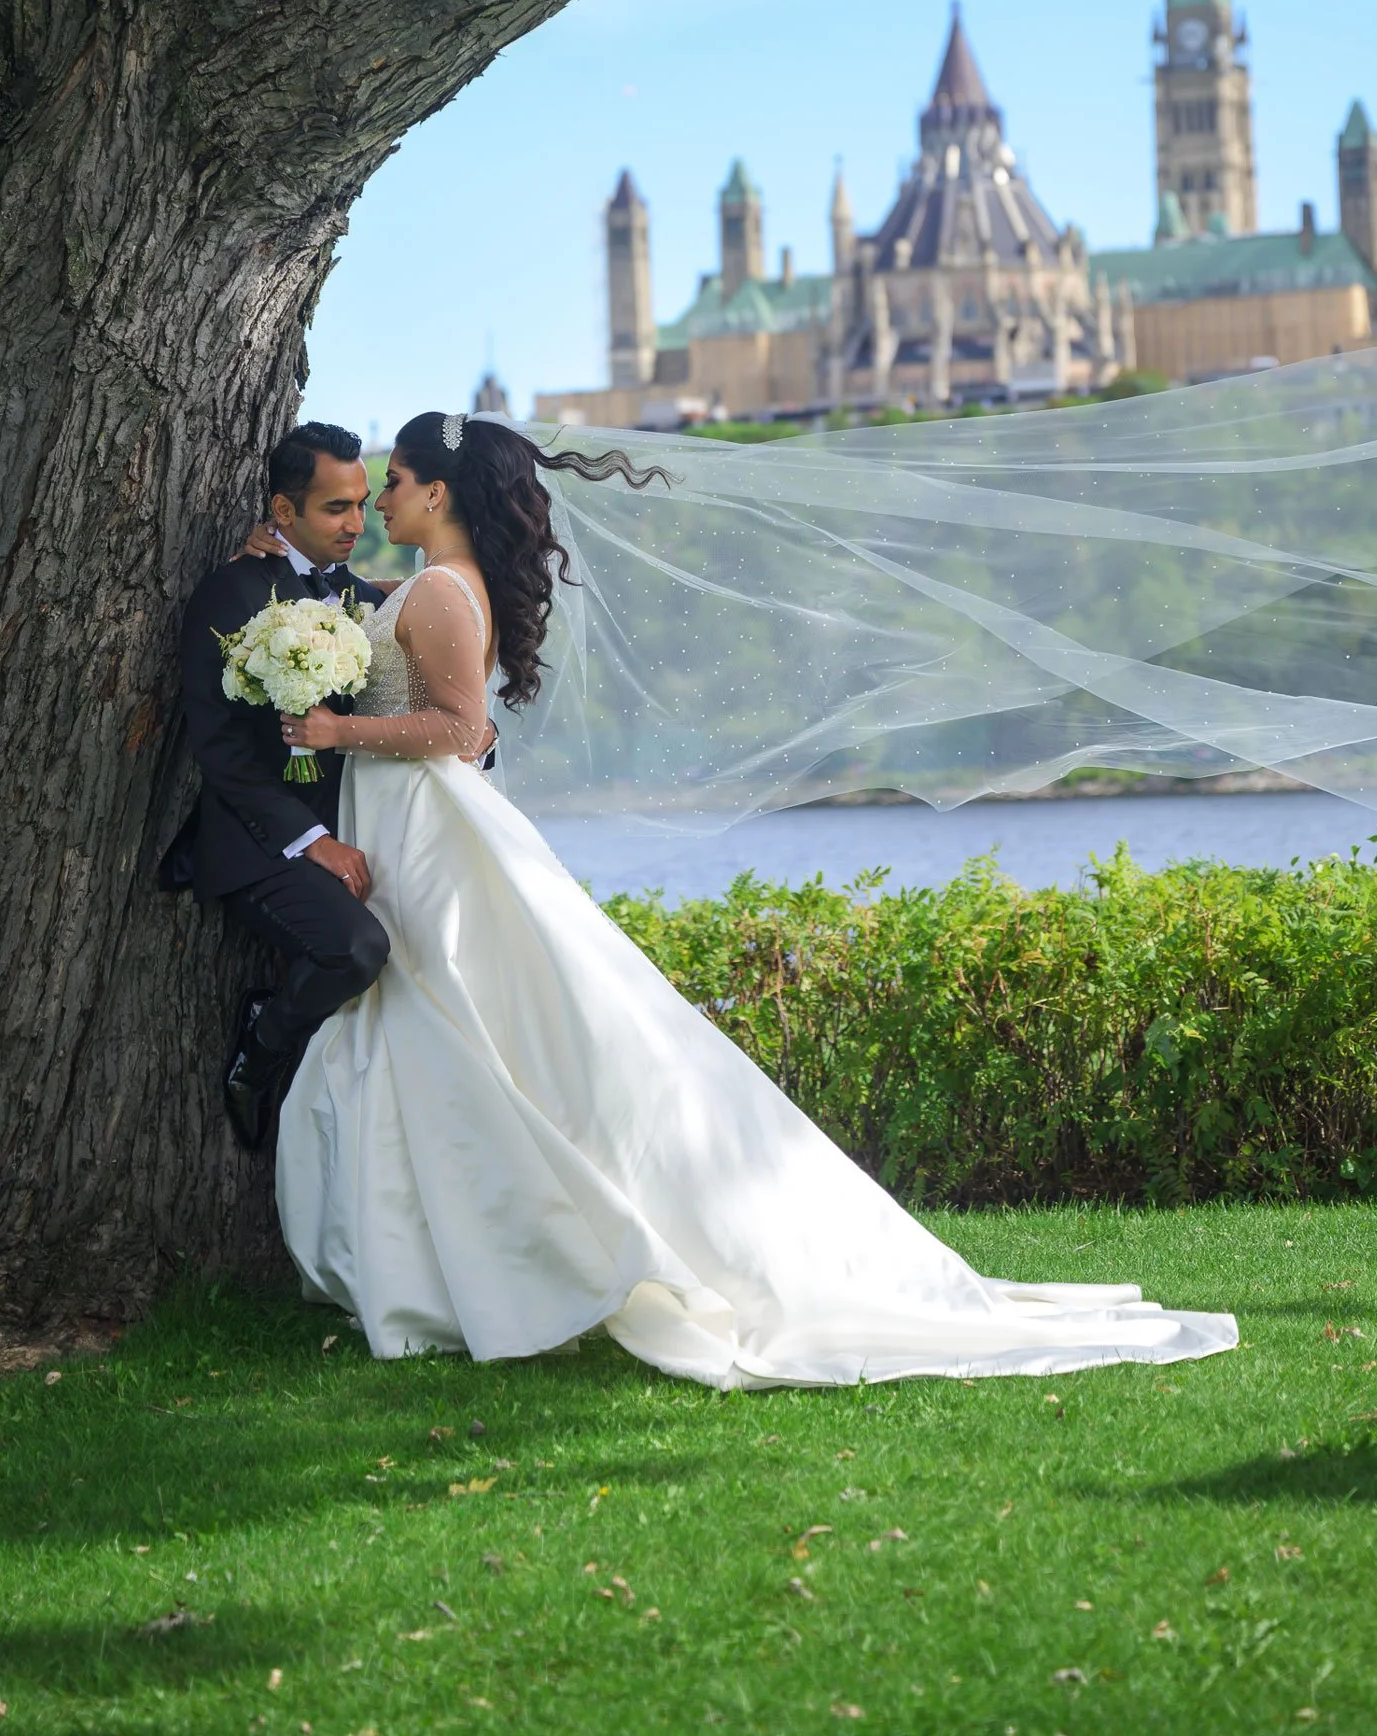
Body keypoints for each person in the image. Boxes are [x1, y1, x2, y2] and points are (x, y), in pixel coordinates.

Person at [267, 410, 1238, 1390]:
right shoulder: (437, 584)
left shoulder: (438, 588)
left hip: (429, 828)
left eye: (392, 481)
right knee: (452, 1024)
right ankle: (465, 1261)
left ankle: (479, 1264)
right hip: (422, 821)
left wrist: (334, 730)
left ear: (436, 493)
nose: (380, 499)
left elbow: (460, 727)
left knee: (452, 1020)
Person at [165, 421, 391, 1152]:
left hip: (358, 826)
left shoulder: (363, 598)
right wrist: (312, 840)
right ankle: (257, 1053)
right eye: (335, 508)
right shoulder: (231, 592)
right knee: (356, 950)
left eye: (361, 504)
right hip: (257, 842)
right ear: (282, 512)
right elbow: (220, 749)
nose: (355, 524)